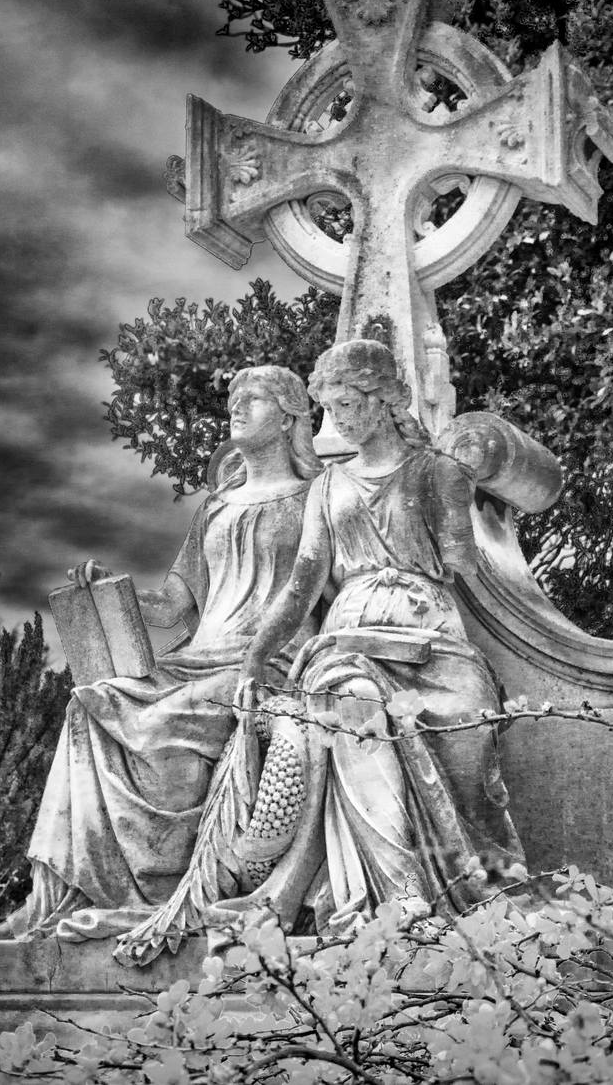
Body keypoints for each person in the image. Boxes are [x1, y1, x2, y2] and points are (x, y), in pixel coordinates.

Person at [0, 365, 322, 941]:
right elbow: (170, 607)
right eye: (233, 400)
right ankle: (53, 899)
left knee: (162, 723)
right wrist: (112, 587)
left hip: (266, 664)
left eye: (254, 398)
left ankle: (161, 893)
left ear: (290, 418)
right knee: (90, 704)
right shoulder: (216, 506)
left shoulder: (317, 498)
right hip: (198, 659)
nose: (237, 408)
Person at [209, 339, 524, 937]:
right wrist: (254, 659)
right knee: (350, 705)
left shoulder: (435, 471)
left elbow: (462, 564)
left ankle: (481, 892)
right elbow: (300, 588)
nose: (339, 422)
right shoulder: (327, 487)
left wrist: (453, 486)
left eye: (349, 405)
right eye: (330, 409)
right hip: (347, 645)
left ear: (384, 401)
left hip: (432, 640)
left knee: (469, 744)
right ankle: (399, 898)